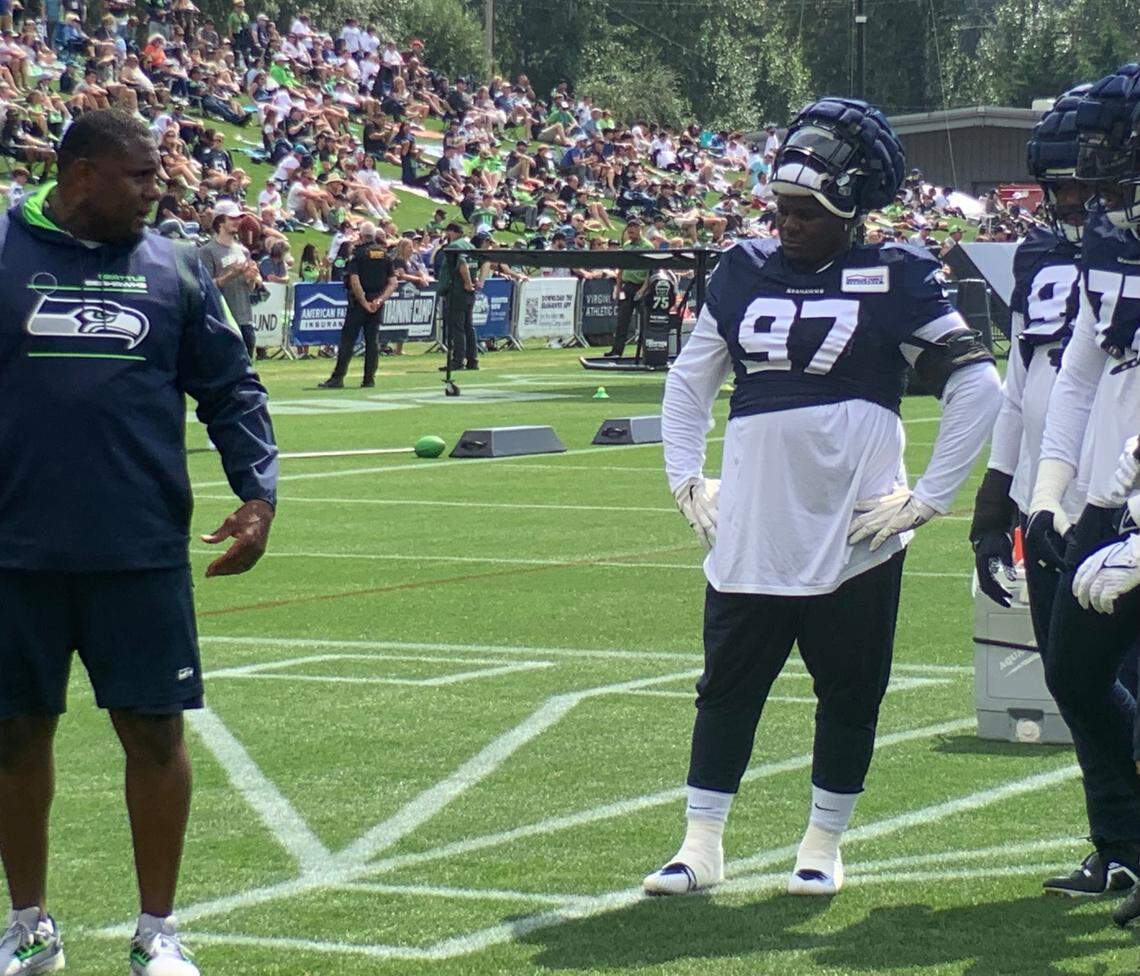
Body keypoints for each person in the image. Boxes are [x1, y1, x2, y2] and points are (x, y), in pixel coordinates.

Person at [644, 98, 1000, 898]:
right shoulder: (743, 268)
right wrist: (683, 475)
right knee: (726, 689)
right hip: (755, 525)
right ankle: (700, 844)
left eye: (806, 212)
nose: (788, 225)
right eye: (781, 209)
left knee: (848, 694)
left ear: (850, 209)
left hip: (854, 531)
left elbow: (979, 388)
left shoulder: (898, 274)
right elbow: (688, 381)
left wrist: (930, 499)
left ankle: (822, 844)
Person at [0, 110, 278, 976]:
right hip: (13, 551)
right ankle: (28, 926)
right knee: (13, 738)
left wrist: (257, 493)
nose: (158, 191)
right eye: (141, 176)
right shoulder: (3, 251)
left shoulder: (176, 266)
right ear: (81, 173)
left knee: (156, 737)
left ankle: (158, 931)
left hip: (141, 547)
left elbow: (231, 388)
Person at [1026, 65, 1140, 928]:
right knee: (1074, 669)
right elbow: (1080, 369)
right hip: (1111, 493)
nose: (1094, 181)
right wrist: (1049, 492)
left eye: (1110, 157)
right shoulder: (1108, 240)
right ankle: (1127, 845)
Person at [319, 222, 397, 389]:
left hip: (359, 303)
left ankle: (338, 377)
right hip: (376, 303)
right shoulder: (385, 255)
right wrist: (379, 300)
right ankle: (369, 379)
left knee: (347, 341)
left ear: (361, 236)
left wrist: (364, 302)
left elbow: (355, 281)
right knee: (372, 341)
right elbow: (393, 283)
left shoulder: (358, 254)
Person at [198, 200, 260, 356]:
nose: (237, 221)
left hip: (244, 319)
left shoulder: (243, 251)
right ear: (220, 221)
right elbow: (205, 287)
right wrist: (231, 275)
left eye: (239, 218)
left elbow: (249, 288)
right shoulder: (207, 251)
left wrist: (251, 278)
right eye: (232, 218)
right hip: (221, 320)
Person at [436, 221, 477, 372]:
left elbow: (462, 263)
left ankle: (458, 360)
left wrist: (467, 282)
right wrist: (476, 281)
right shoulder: (470, 246)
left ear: (452, 232)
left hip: (457, 290)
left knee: (457, 327)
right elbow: (483, 262)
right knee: (468, 326)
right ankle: (472, 360)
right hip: (468, 292)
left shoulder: (454, 246)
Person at [607, 218, 650, 358]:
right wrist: (618, 287)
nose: (631, 230)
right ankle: (617, 351)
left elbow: (650, 270)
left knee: (645, 321)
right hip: (628, 286)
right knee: (622, 320)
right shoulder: (626, 245)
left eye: (634, 227)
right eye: (629, 228)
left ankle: (647, 351)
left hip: (641, 287)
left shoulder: (647, 246)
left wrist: (643, 288)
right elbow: (621, 268)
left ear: (640, 229)